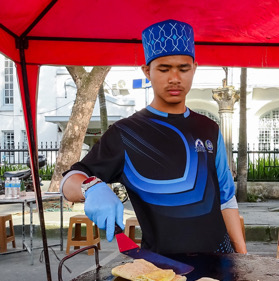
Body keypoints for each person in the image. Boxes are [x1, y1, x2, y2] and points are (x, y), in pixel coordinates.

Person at [60, 19, 246, 255]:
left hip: (221, 261)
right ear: (147, 71)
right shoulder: (125, 133)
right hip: (161, 270)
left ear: (194, 68)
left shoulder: (209, 129)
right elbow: (69, 182)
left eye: (183, 68)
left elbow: (227, 200)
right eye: (164, 69)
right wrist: (91, 188)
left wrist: (242, 256)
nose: (175, 78)